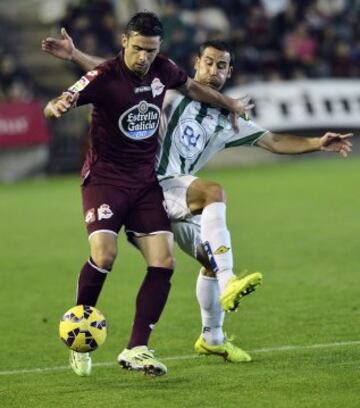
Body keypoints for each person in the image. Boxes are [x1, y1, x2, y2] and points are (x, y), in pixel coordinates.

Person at [42, 31, 353, 366]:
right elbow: (119, 73)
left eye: (222, 66)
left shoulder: (229, 117)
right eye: (208, 62)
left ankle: (211, 338)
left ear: (230, 73)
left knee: (209, 257)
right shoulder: (174, 92)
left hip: (176, 196)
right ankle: (228, 280)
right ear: (196, 63)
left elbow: (274, 141)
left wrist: (317, 143)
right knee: (213, 193)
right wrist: (76, 55)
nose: (214, 70)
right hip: (152, 184)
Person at [43, 12, 254, 378]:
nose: (144, 57)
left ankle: (137, 348)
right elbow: (56, 103)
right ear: (124, 41)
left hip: (145, 185)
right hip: (105, 181)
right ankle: (78, 331)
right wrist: (55, 107)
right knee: (105, 255)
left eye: (151, 50)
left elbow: (191, 87)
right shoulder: (103, 77)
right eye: (138, 48)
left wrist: (229, 103)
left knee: (164, 262)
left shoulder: (163, 69)